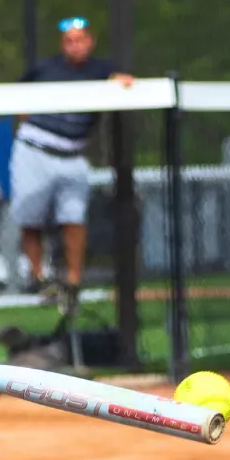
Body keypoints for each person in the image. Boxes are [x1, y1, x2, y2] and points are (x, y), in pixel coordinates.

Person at [12, 17, 135, 306]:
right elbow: (17, 98)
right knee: (30, 218)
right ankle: (39, 278)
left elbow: (126, 83)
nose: (75, 46)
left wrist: (121, 83)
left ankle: (73, 282)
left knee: (75, 218)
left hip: (74, 157)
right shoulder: (45, 69)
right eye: (69, 41)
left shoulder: (103, 70)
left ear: (90, 42)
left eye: (80, 40)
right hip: (35, 152)